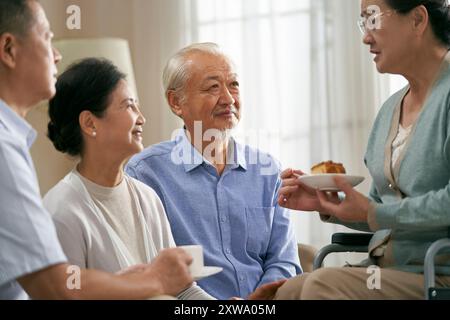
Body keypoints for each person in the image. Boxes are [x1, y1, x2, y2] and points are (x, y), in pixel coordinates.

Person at [0, 0, 193, 300]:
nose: (57, 54)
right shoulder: (7, 153)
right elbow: (54, 286)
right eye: (47, 37)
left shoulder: (147, 197)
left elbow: (184, 291)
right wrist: (150, 283)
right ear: (9, 50)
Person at [275, 0, 450, 300]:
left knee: (321, 285)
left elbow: (381, 213)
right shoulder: (389, 111)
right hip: (388, 271)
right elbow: (381, 212)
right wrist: (325, 202)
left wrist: (375, 213)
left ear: (418, 20)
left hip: (437, 274)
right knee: (289, 290)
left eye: (372, 19)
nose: (365, 37)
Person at [126, 42, 301, 300]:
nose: (229, 99)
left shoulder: (267, 170)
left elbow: (284, 260)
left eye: (234, 85)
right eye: (213, 87)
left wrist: (259, 299)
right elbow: (151, 270)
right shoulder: (146, 173)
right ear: (176, 103)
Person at [43, 58, 215, 300]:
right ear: (90, 123)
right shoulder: (61, 211)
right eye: (129, 106)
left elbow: (183, 289)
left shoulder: (147, 197)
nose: (142, 118)